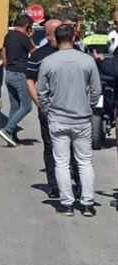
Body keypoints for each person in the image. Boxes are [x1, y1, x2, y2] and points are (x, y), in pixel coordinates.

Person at [37, 24, 101, 217]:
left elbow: (42, 93)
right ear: (74, 38)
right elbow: (96, 90)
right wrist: (88, 105)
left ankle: (66, 203)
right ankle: (88, 203)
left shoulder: (48, 62)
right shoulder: (87, 61)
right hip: (81, 118)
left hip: (58, 118)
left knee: (62, 162)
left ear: (56, 39)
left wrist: (49, 111)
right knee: (84, 161)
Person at [25, 19, 82, 199]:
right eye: (58, 31)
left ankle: (79, 185)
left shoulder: (76, 52)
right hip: (49, 110)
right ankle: (55, 185)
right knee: (51, 147)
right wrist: (40, 104)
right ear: (49, 34)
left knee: (75, 148)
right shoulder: (39, 55)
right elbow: (30, 81)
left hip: (73, 109)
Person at [0, 14, 36, 147]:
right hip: (20, 74)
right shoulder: (24, 38)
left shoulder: (8, 36)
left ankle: (11, 136)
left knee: (14, 105)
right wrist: (30, 39)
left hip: (8, 73)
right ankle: (7, 129)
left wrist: (7, 66)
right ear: (27, 27)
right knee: (27, 106)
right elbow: (35, 53)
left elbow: (3, 53)